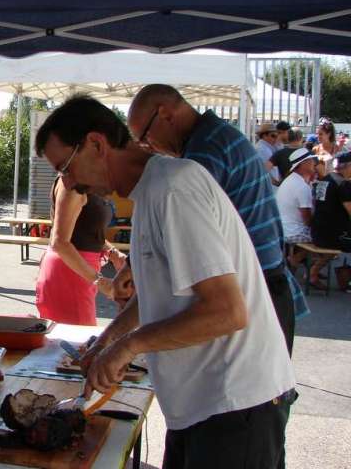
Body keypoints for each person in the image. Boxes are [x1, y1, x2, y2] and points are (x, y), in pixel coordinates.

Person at [37, 96, 295, 469]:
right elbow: (160, 292)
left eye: (66, 167)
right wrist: (108, 340)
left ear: (96, 143)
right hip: (200, 407)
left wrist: (127, 347)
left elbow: (227, 311)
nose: (70, 183)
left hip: (236, 407)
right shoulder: (149, 192)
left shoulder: (173, 188)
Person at [125, 85, 298, 354]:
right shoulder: (214, 136)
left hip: (256, 291)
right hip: (265, 281)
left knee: (260, 391)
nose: (149, 148)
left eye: (145, 138)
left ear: (165, 114)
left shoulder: (202, 153)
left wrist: (134, 267)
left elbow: (185, 225)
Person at [36, 177, 125, 325]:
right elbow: (60, 242)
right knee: (77, 340)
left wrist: (113, 253)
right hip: (68, 269)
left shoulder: (89, 179)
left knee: (79, 340)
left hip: (81, 269)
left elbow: (86, 230)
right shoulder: (72, 183)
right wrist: (101, 282)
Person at [275, 149, 326, 289]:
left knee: (322, 235)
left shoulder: (291, 181)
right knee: (329, 240)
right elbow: (307, 220)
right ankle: (310, 271)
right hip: (293, 231)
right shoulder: (301, 186)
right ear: (303, 164)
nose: (314, 164)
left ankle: (302, 262)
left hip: (284, 228)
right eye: (311, 161)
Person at [312, 151, 351, 291]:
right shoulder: (343, 185)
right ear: (347, 167)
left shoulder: (326, 179)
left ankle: (313, 273)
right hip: (333, 236)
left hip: (318, 232)